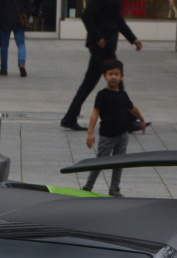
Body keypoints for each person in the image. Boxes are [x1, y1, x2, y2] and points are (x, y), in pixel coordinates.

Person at [60, 0, 142, 130]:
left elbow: (118, 20)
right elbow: (86, 15)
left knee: (88, 83)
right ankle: (128, 120)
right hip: (101, 47)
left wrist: (133, 38)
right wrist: (98, 37)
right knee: (117, 80)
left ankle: (69, 117)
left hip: (106, 45)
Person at [82, 58, 146, 196]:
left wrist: (141, 119)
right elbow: (95, 113)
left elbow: (132, 108)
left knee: (119, 162)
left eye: (116, 74)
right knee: (100, 162)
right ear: (105, 76)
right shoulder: (102, 94)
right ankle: (88, 186)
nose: (113, 77)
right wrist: (90, 132)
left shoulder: (123, 94)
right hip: (107, 136)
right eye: (110, 74)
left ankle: (114, 188)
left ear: (121, 76)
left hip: (122, 135)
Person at [0, 0, 27, 75]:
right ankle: (21, 64)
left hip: (5, 20)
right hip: (18, 20)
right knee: (21, 44)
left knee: (4, 45)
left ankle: (4, 69)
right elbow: (27, 5)